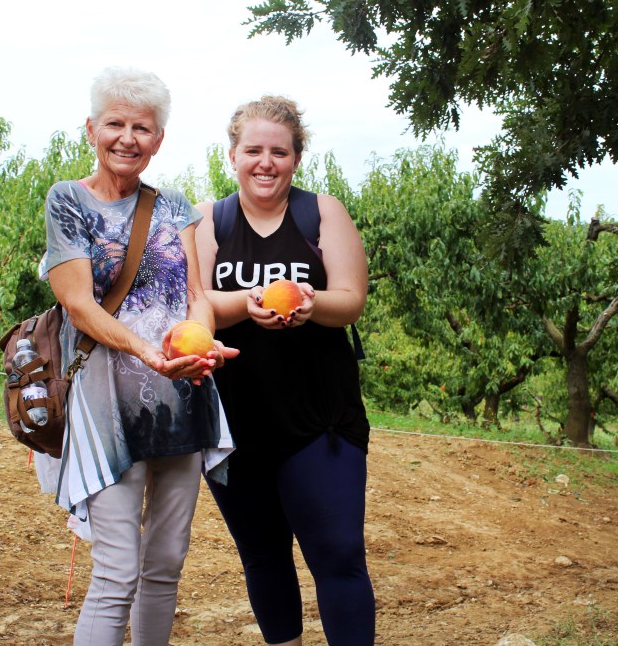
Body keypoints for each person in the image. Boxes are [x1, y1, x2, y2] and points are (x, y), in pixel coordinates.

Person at [40, 66, 236, 646]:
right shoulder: (68, 201)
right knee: (117, 571)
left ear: (159, 139)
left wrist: (202, 343)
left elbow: (196, 296)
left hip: (181, 396)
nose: (128, 138)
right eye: (115, 124)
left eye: (142, 128)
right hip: (107, 404)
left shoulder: (174, 206)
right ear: (91, 130)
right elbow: (78, 304)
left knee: (166, 562)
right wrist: (147, 351)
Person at [195, 95, 375, 646]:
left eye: (279, 151)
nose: (265, 163)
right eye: (253, 150)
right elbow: (196, 301)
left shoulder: (321, 212)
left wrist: (309, 304)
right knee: (263, 555)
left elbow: (351, 298)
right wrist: (246, 303)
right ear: (232, 155)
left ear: (296, 157)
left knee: (338, 554)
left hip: (320, 419)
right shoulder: (210, 219)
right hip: (236, 421)